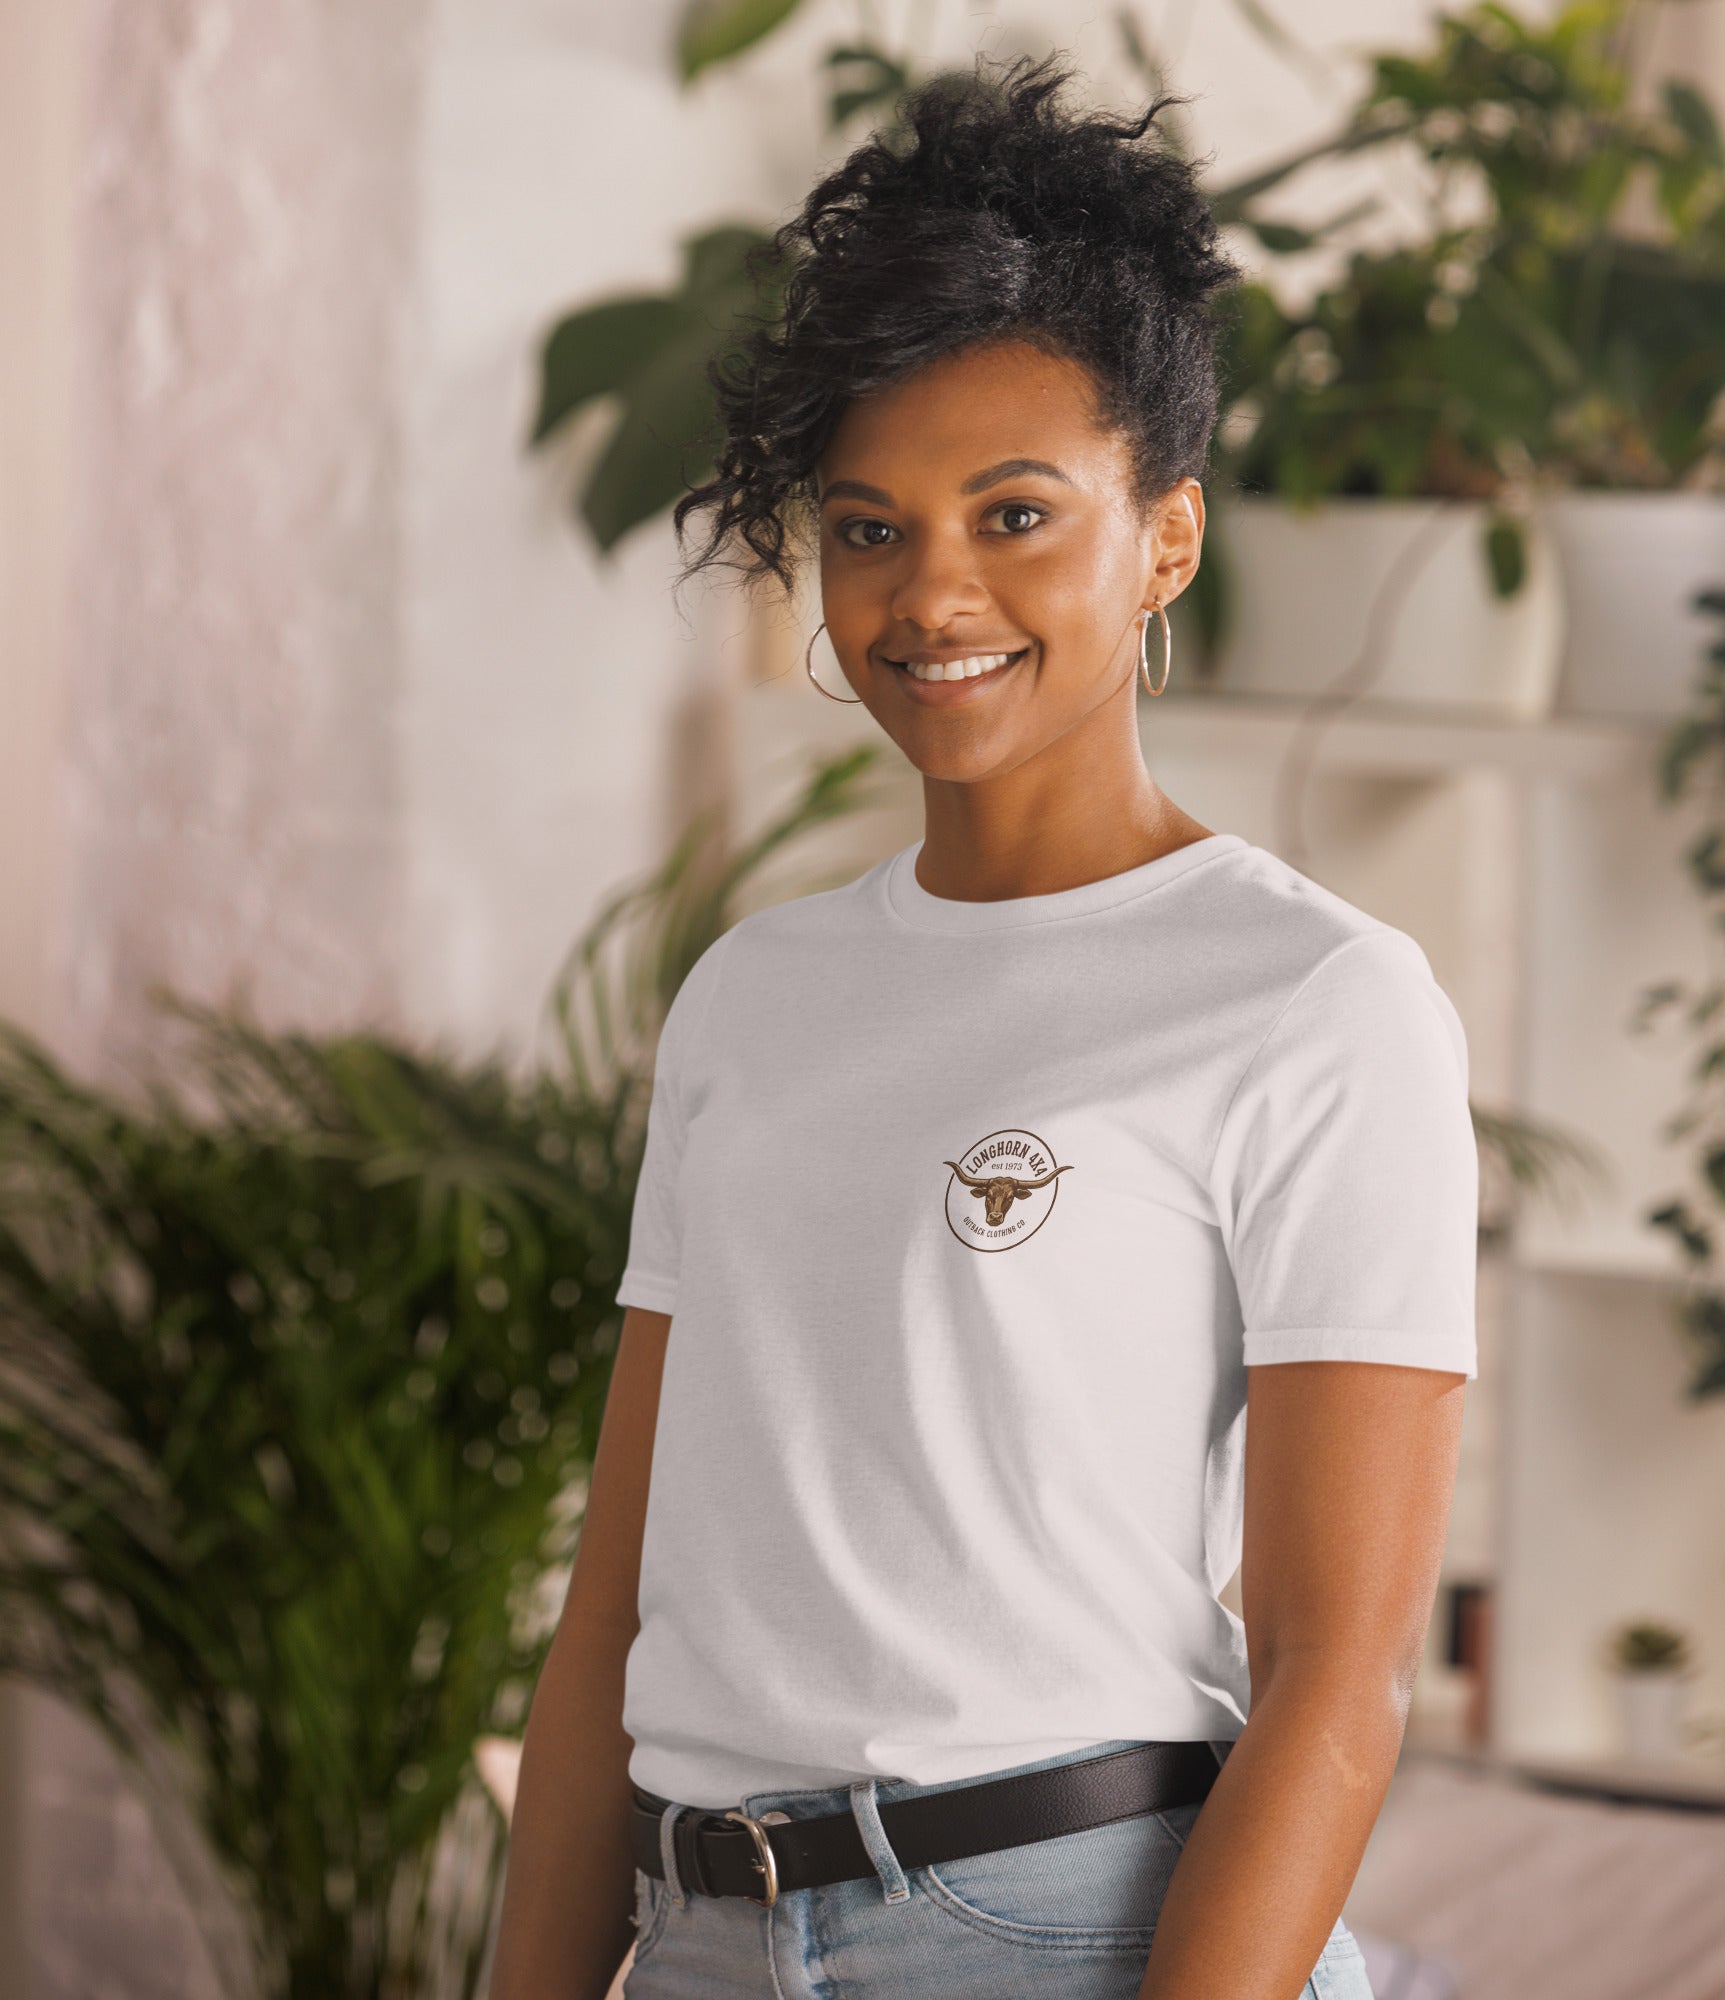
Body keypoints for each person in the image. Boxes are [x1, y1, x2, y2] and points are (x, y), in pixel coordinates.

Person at [488, 53, 1476, 2000]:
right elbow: (617, 1606)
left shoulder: (1311, 1000)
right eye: (868, 526)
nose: (930, 590)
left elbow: (1336, 1674)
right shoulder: (753, 997)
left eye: (1014, 513)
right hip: (699, 1935)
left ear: (1164, 537)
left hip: (1062, 1929)